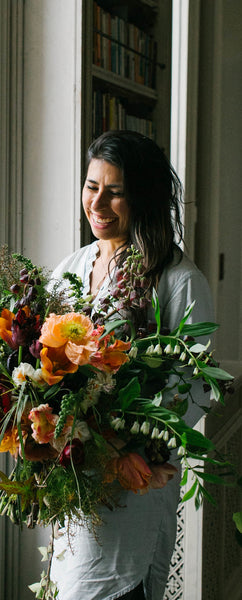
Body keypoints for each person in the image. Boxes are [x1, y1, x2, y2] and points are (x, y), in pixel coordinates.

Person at [49, 130, 213, 600]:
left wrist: (124, 445)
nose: (98, 202)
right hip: (76, 477)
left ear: (142, 197)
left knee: (116, 588)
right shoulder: (70, 269)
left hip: (134, 479)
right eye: (91, 185)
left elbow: (194, 386)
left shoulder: (179, 281)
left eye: (115, 191)